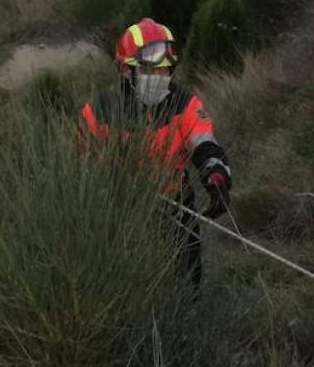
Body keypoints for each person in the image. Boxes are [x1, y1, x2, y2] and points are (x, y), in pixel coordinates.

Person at [79, 17, 232, 285]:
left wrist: (216, 175)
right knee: (128, 285)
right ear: (126, 70)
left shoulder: (183, 102)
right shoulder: (99, 110)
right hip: (120, 209)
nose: (160, 79)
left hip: (176, 206)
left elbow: (204, 143)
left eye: (165, 71)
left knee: (187, 282)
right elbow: (79, 166)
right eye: (151, 71)